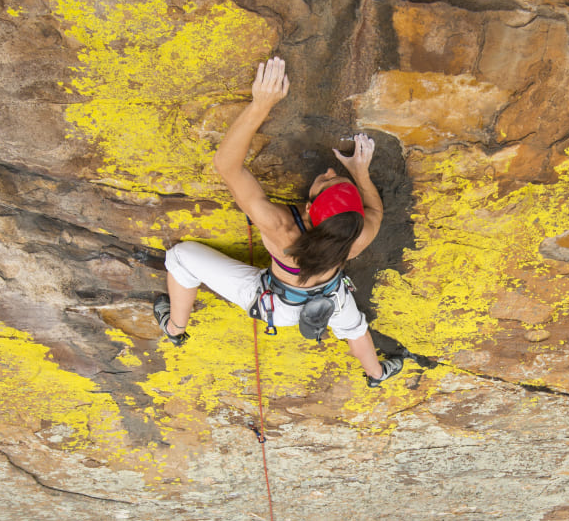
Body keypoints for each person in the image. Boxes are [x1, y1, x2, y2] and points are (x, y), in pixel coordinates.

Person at [155, 56, 404, 386]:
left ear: (309, 209)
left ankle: (175, 329)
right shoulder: (355, 237)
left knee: (180, 257)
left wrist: (261, 105)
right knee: (354, 327)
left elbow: (227, 165)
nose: (330, 170)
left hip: (277, 304)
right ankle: (376, 374)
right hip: (332, 296)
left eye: (328, 180)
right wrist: (361, 174)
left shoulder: (282, 228)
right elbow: (375, 212)